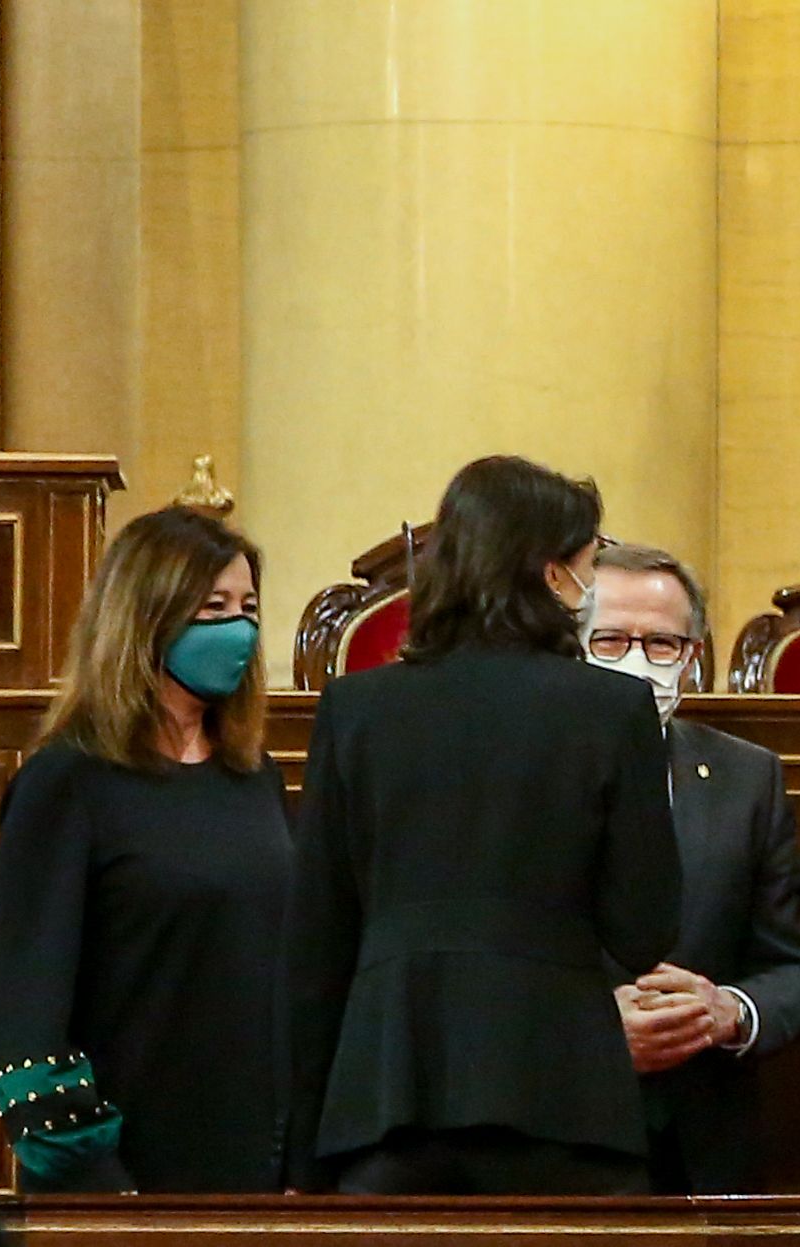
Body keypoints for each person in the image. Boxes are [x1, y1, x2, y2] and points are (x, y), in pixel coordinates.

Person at [286, 456, 681, 1196]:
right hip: (564, 1094)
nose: (588, 586)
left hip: (389, 1091)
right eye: (586, 563)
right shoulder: (612, 711)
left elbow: (317, 942)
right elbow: (644, 925)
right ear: (547, 569)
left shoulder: (355, 711)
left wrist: (305, 1153)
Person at [0, 507, 288, 1193]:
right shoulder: (67, 782)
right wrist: (101, 1186)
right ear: (146, 615)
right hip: (120, 1179)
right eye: (212, 607)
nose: (237, 628)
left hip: (254, 1171)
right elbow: (30, 1022)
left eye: (247, 607)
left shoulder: (254, 775)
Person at [585, 542, 800, 1194]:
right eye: (607, 640)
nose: (637, 660)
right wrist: (589, 1030)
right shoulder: (511, 775)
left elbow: (794, 971)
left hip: (703, 1150)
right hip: (560, 1132)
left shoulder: (747, 776)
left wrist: (729, 1011)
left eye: (662, 643)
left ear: (692, 654)